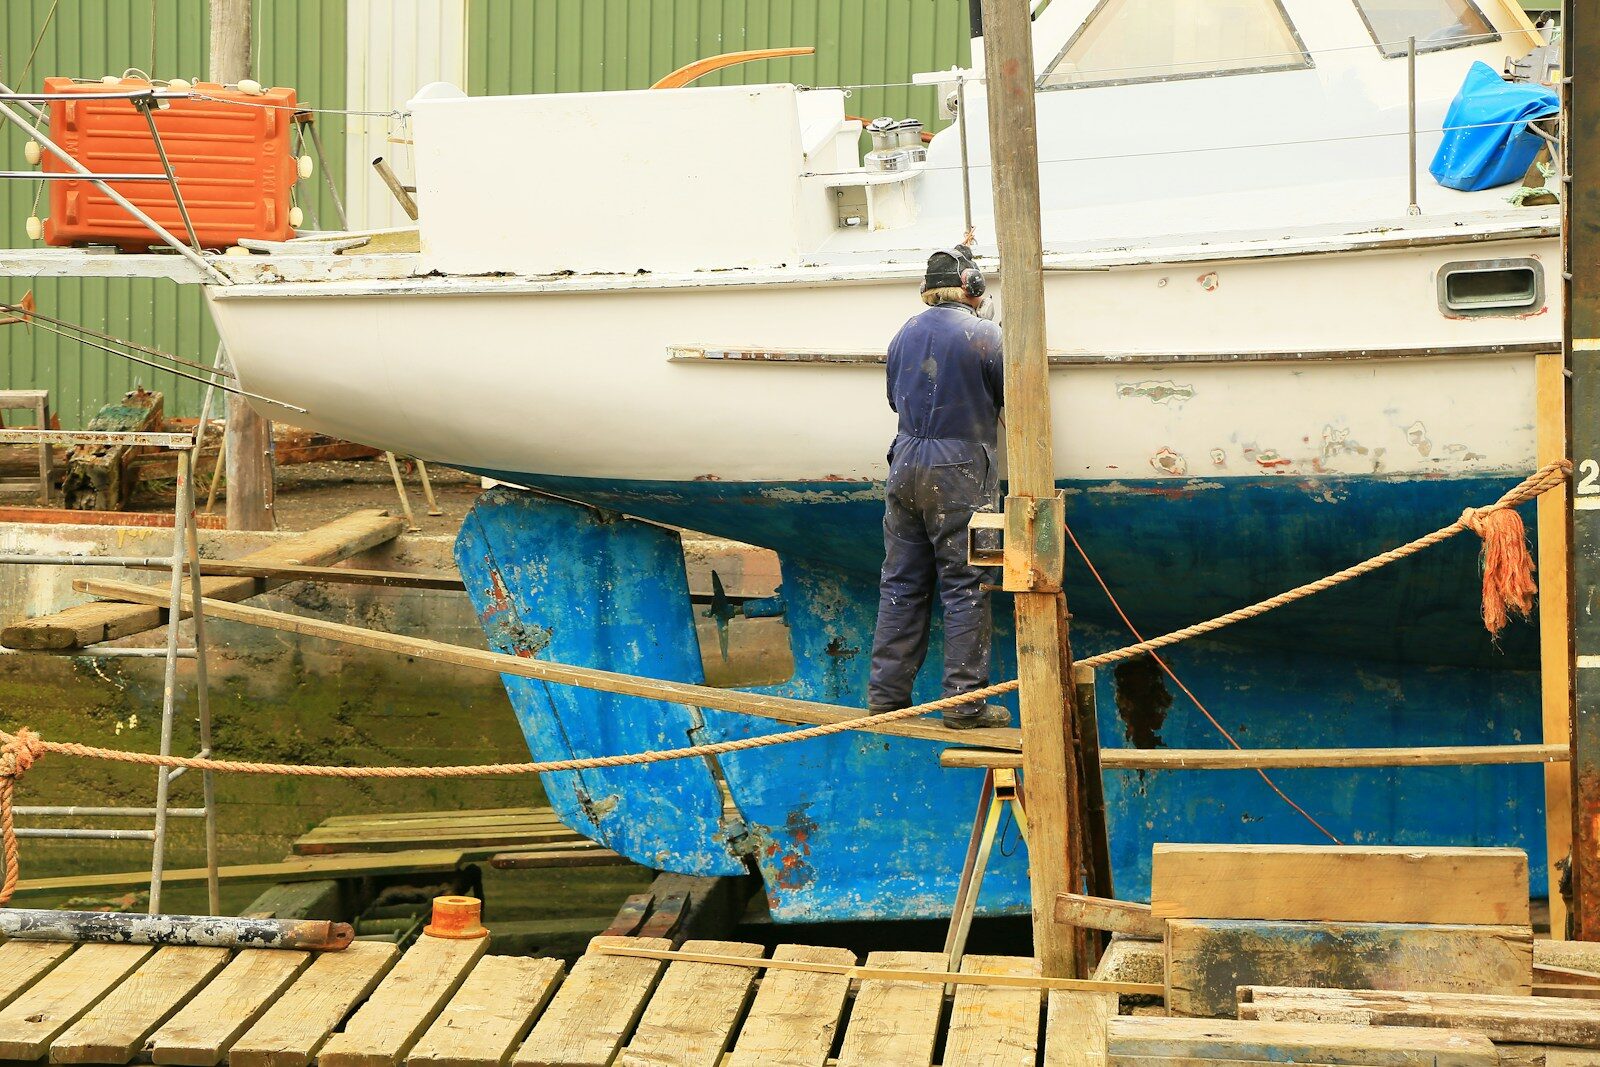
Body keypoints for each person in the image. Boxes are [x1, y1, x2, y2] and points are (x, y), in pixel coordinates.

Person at [866, 245, 1010, 730]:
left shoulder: (905, 333)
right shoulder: (986, 335)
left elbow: (893, 398)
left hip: (905, 463)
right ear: (973, 288)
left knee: (902, 582)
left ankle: (886, 700)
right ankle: (964, 705)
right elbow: (1013, 395)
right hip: (961, 471)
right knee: (966, 584)